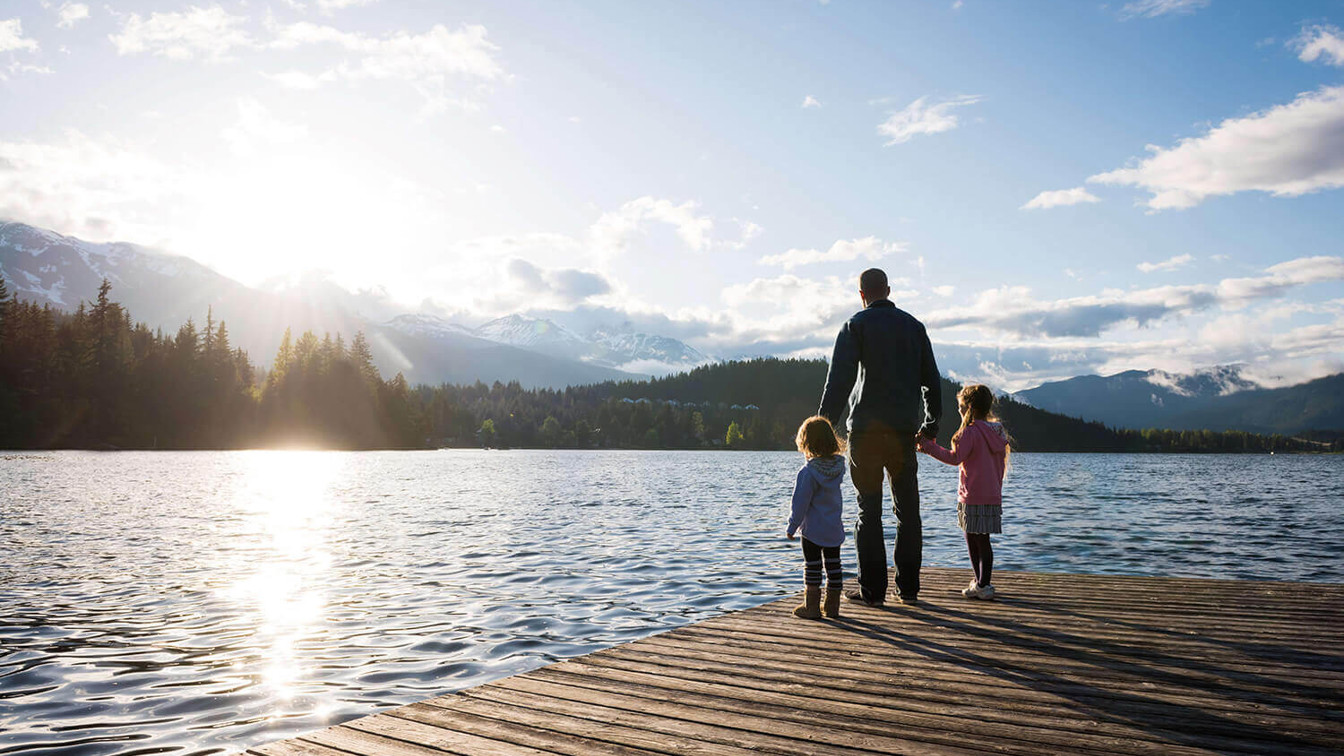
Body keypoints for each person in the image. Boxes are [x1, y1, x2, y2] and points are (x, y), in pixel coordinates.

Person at [819, 268, 942, 607]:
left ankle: (873, 591)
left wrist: (823, 429)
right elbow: (931, 381)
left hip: (865, 435)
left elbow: (838, 383)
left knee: (868, 512)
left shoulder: (855, 325)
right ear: (888, 290)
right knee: (908, 512)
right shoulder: (914, 327)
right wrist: (930, 426)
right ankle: (909, 590)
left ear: (861, 294)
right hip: (903, 433)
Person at [917, 384, 1010, 600]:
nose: (959, 410)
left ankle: (981, 584)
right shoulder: (998, 432)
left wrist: (928, 447)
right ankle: (983, 583)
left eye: (960, 406)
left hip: (971, 494)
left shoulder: (970, 432)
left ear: (969, 407)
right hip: (992, 495)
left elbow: (954, 458)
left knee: (971, 537)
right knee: (984, 539)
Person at [786, 416, 847, 619]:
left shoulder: (808, 472)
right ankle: (832, 606)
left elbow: (800, 503)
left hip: (812, 530)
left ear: (806, 442)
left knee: (812, 567)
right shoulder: (838, 468)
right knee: (834, 565)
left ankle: (811, 607)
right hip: (833, 528)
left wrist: (792, 526)